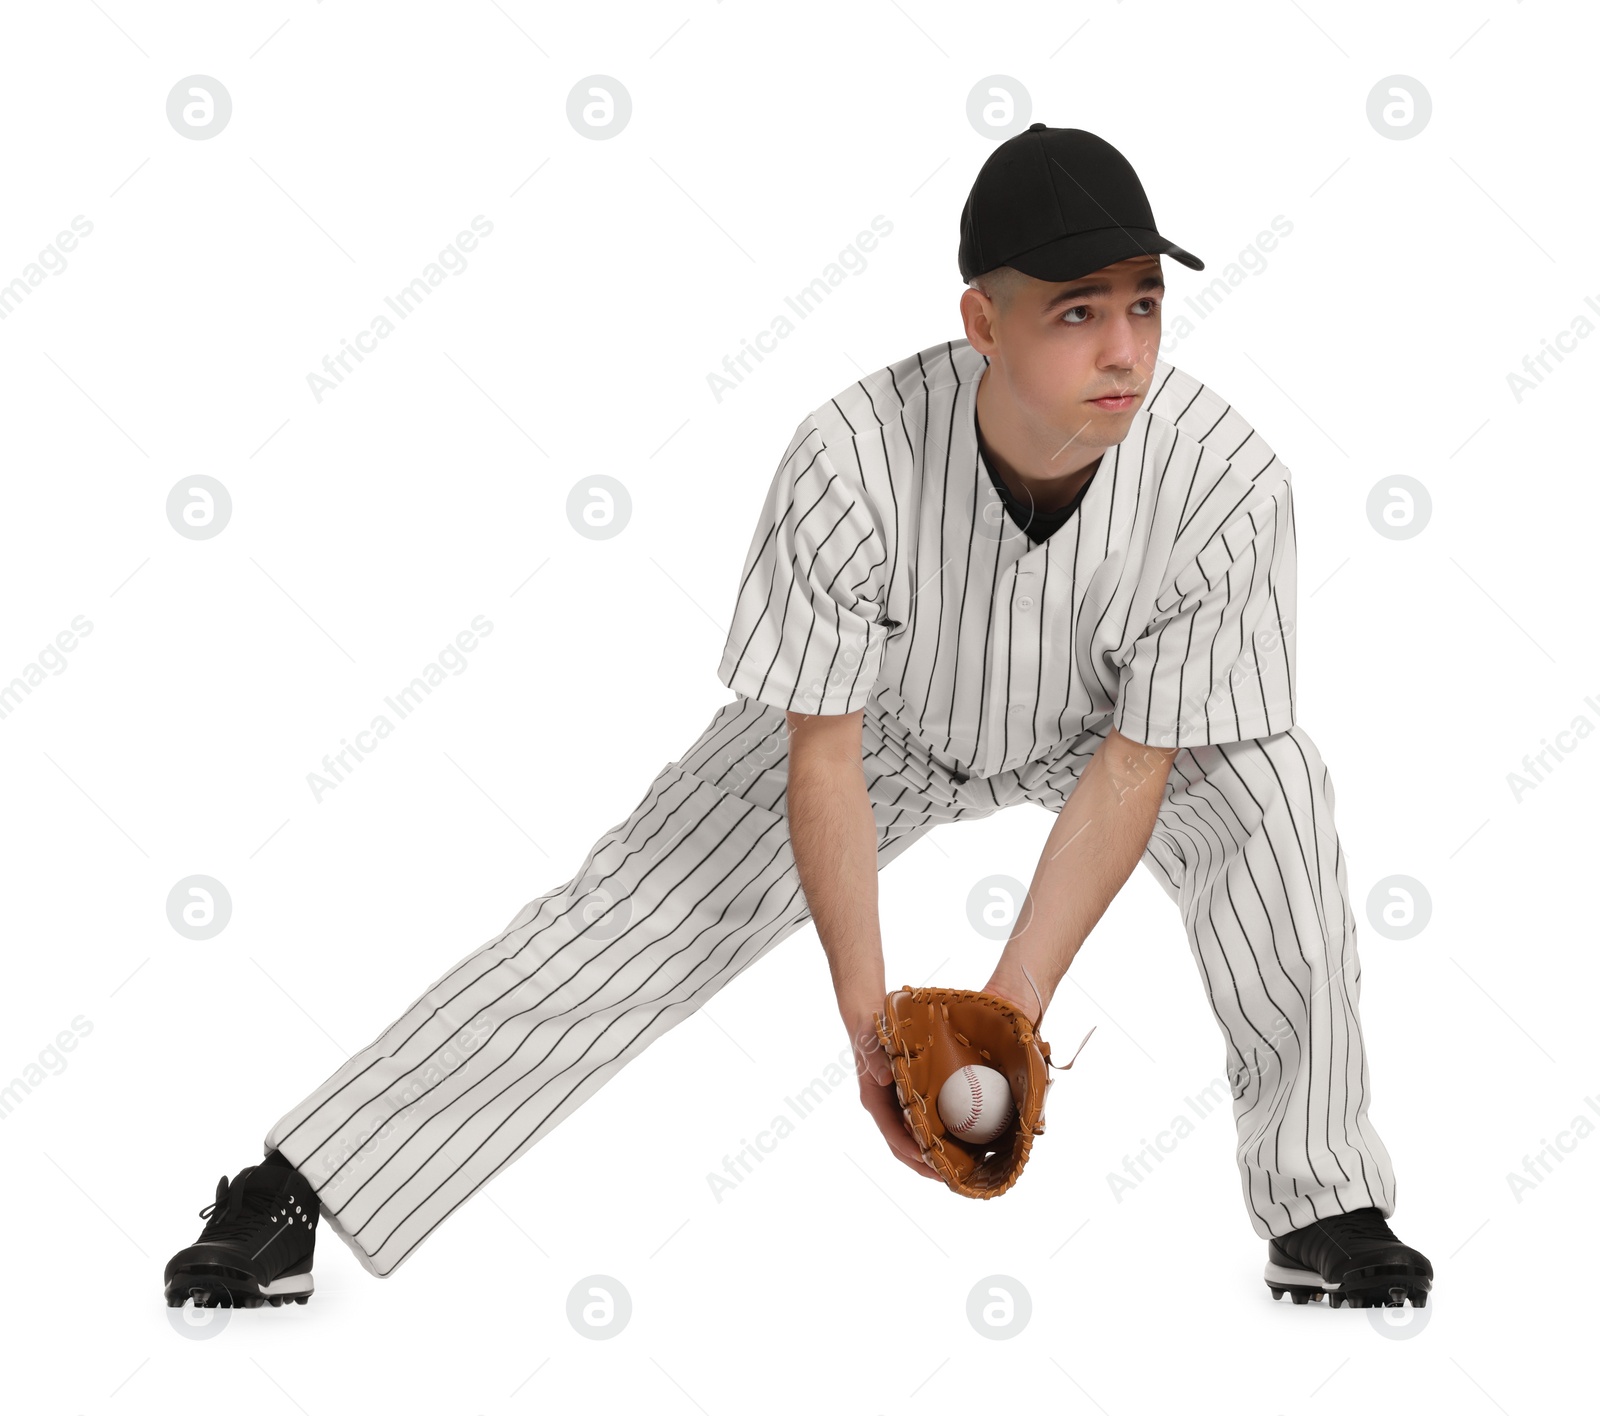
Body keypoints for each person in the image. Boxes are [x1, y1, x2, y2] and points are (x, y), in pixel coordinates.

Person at [163, 124, 1432, 1314]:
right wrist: (874, 1024)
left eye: (1144, 304)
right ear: (981, 322)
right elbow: (821, 760)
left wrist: (1015, 1003)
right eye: (1077, 311)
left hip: (1106, 728)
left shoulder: (1225, 480)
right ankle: (303, 1186)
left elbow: (1142, 758)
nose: (1124, 349)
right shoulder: (850, 455)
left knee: (1270, 796)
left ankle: (1328, 1205)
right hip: (874, 722)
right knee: (638, 905)